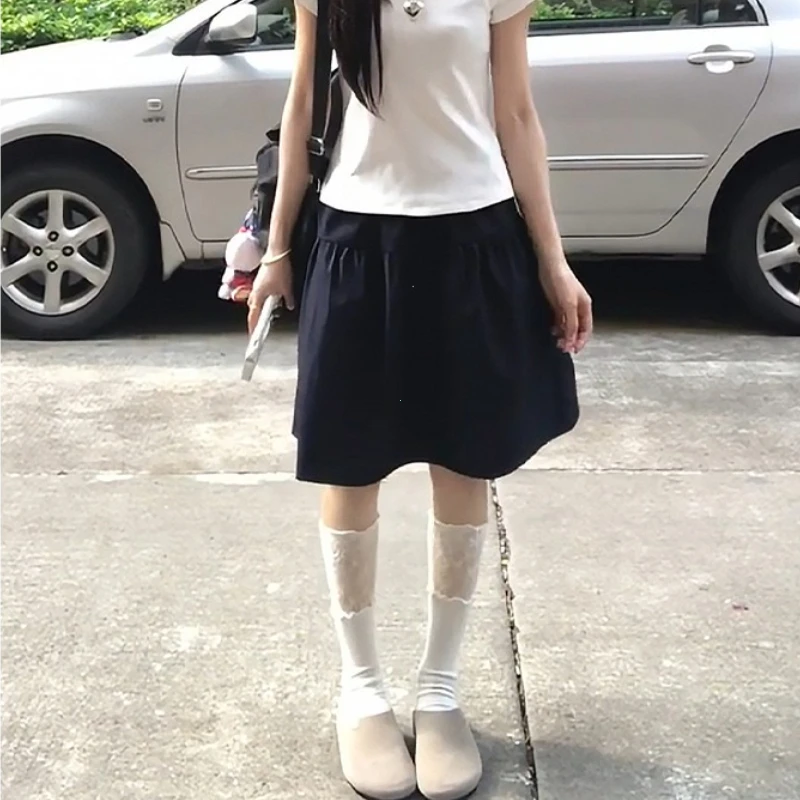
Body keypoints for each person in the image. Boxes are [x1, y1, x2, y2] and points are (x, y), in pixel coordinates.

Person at [247, 1, 592, 798]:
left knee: (464, 463)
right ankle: (361, 691)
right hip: (354, 239)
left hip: (473, 239)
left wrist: (553, 260)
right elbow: (302, 104)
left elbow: (516, 114)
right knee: (349, 466)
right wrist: (277, 248)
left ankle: (440, 689)